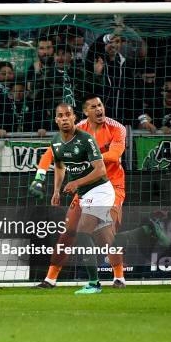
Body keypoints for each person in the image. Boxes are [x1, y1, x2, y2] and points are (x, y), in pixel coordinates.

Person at [31, 95, 128, 288]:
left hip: (112, 186)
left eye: (100, 105)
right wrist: (40, 177)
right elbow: (51, 154)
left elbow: (116, 154)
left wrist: (84, 153)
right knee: (68, 232)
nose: (99, 109)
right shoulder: (79, 129)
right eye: (93, 107)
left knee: (105, 233)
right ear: (85, 112)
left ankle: (119, 277)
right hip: (84, 188)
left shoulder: (117, 128)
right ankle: (50, 279)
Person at [45, 103, 115, 294]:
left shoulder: (86, 139)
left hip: (100, 190)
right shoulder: (56, 142)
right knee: (101, 236)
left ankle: (94, 284)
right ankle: (115, 274)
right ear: (56, 120)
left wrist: (76, 183)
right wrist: (56, 191)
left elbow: (100, 170)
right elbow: (60, 167)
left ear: (75, 117)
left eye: (68, 114)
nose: (65, 118)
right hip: (85, 194)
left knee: (83, 232)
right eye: (61, 115)